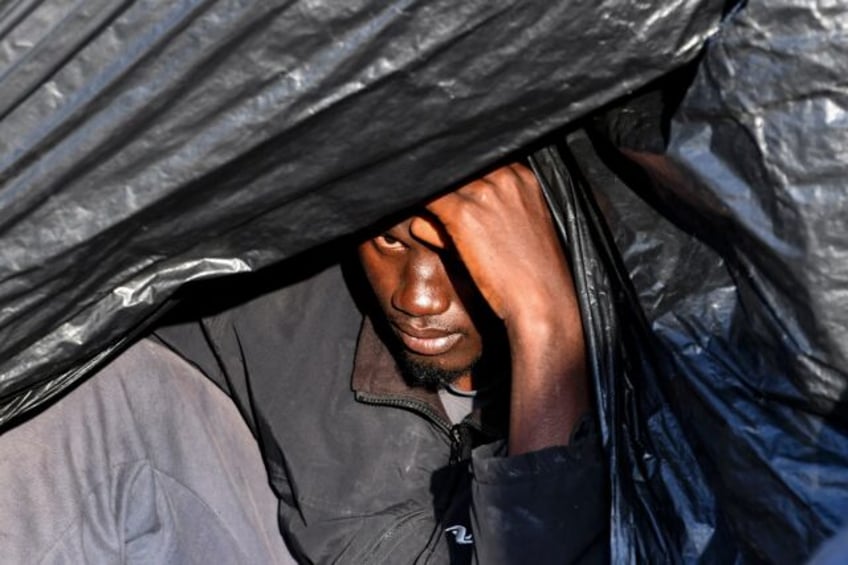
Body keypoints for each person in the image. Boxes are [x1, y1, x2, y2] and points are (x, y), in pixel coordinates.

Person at [158, 161, 608, 563]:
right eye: (389, 241)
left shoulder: (637, 365)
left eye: (459, 255)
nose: (417, 297)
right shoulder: (279, 311)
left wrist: (545, 322)